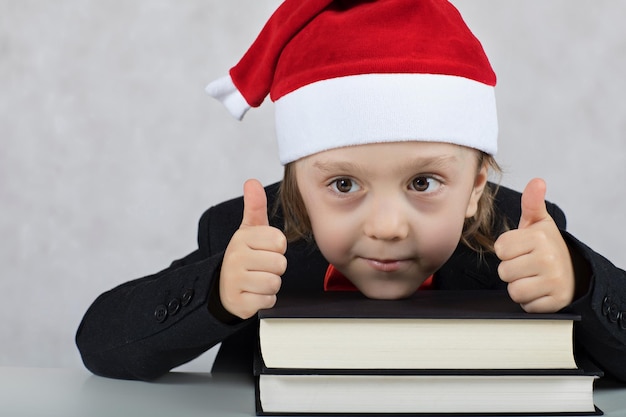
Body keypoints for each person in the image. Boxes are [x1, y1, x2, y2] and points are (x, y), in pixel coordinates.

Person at [76, 0, 626, 381]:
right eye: (343, 184)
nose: (386, 226)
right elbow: (99, 342)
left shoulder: (526, 238)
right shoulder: (247, 235)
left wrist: (579, 280)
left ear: (476, 185)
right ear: (297, 186)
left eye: (423, 182)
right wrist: (216, 294)